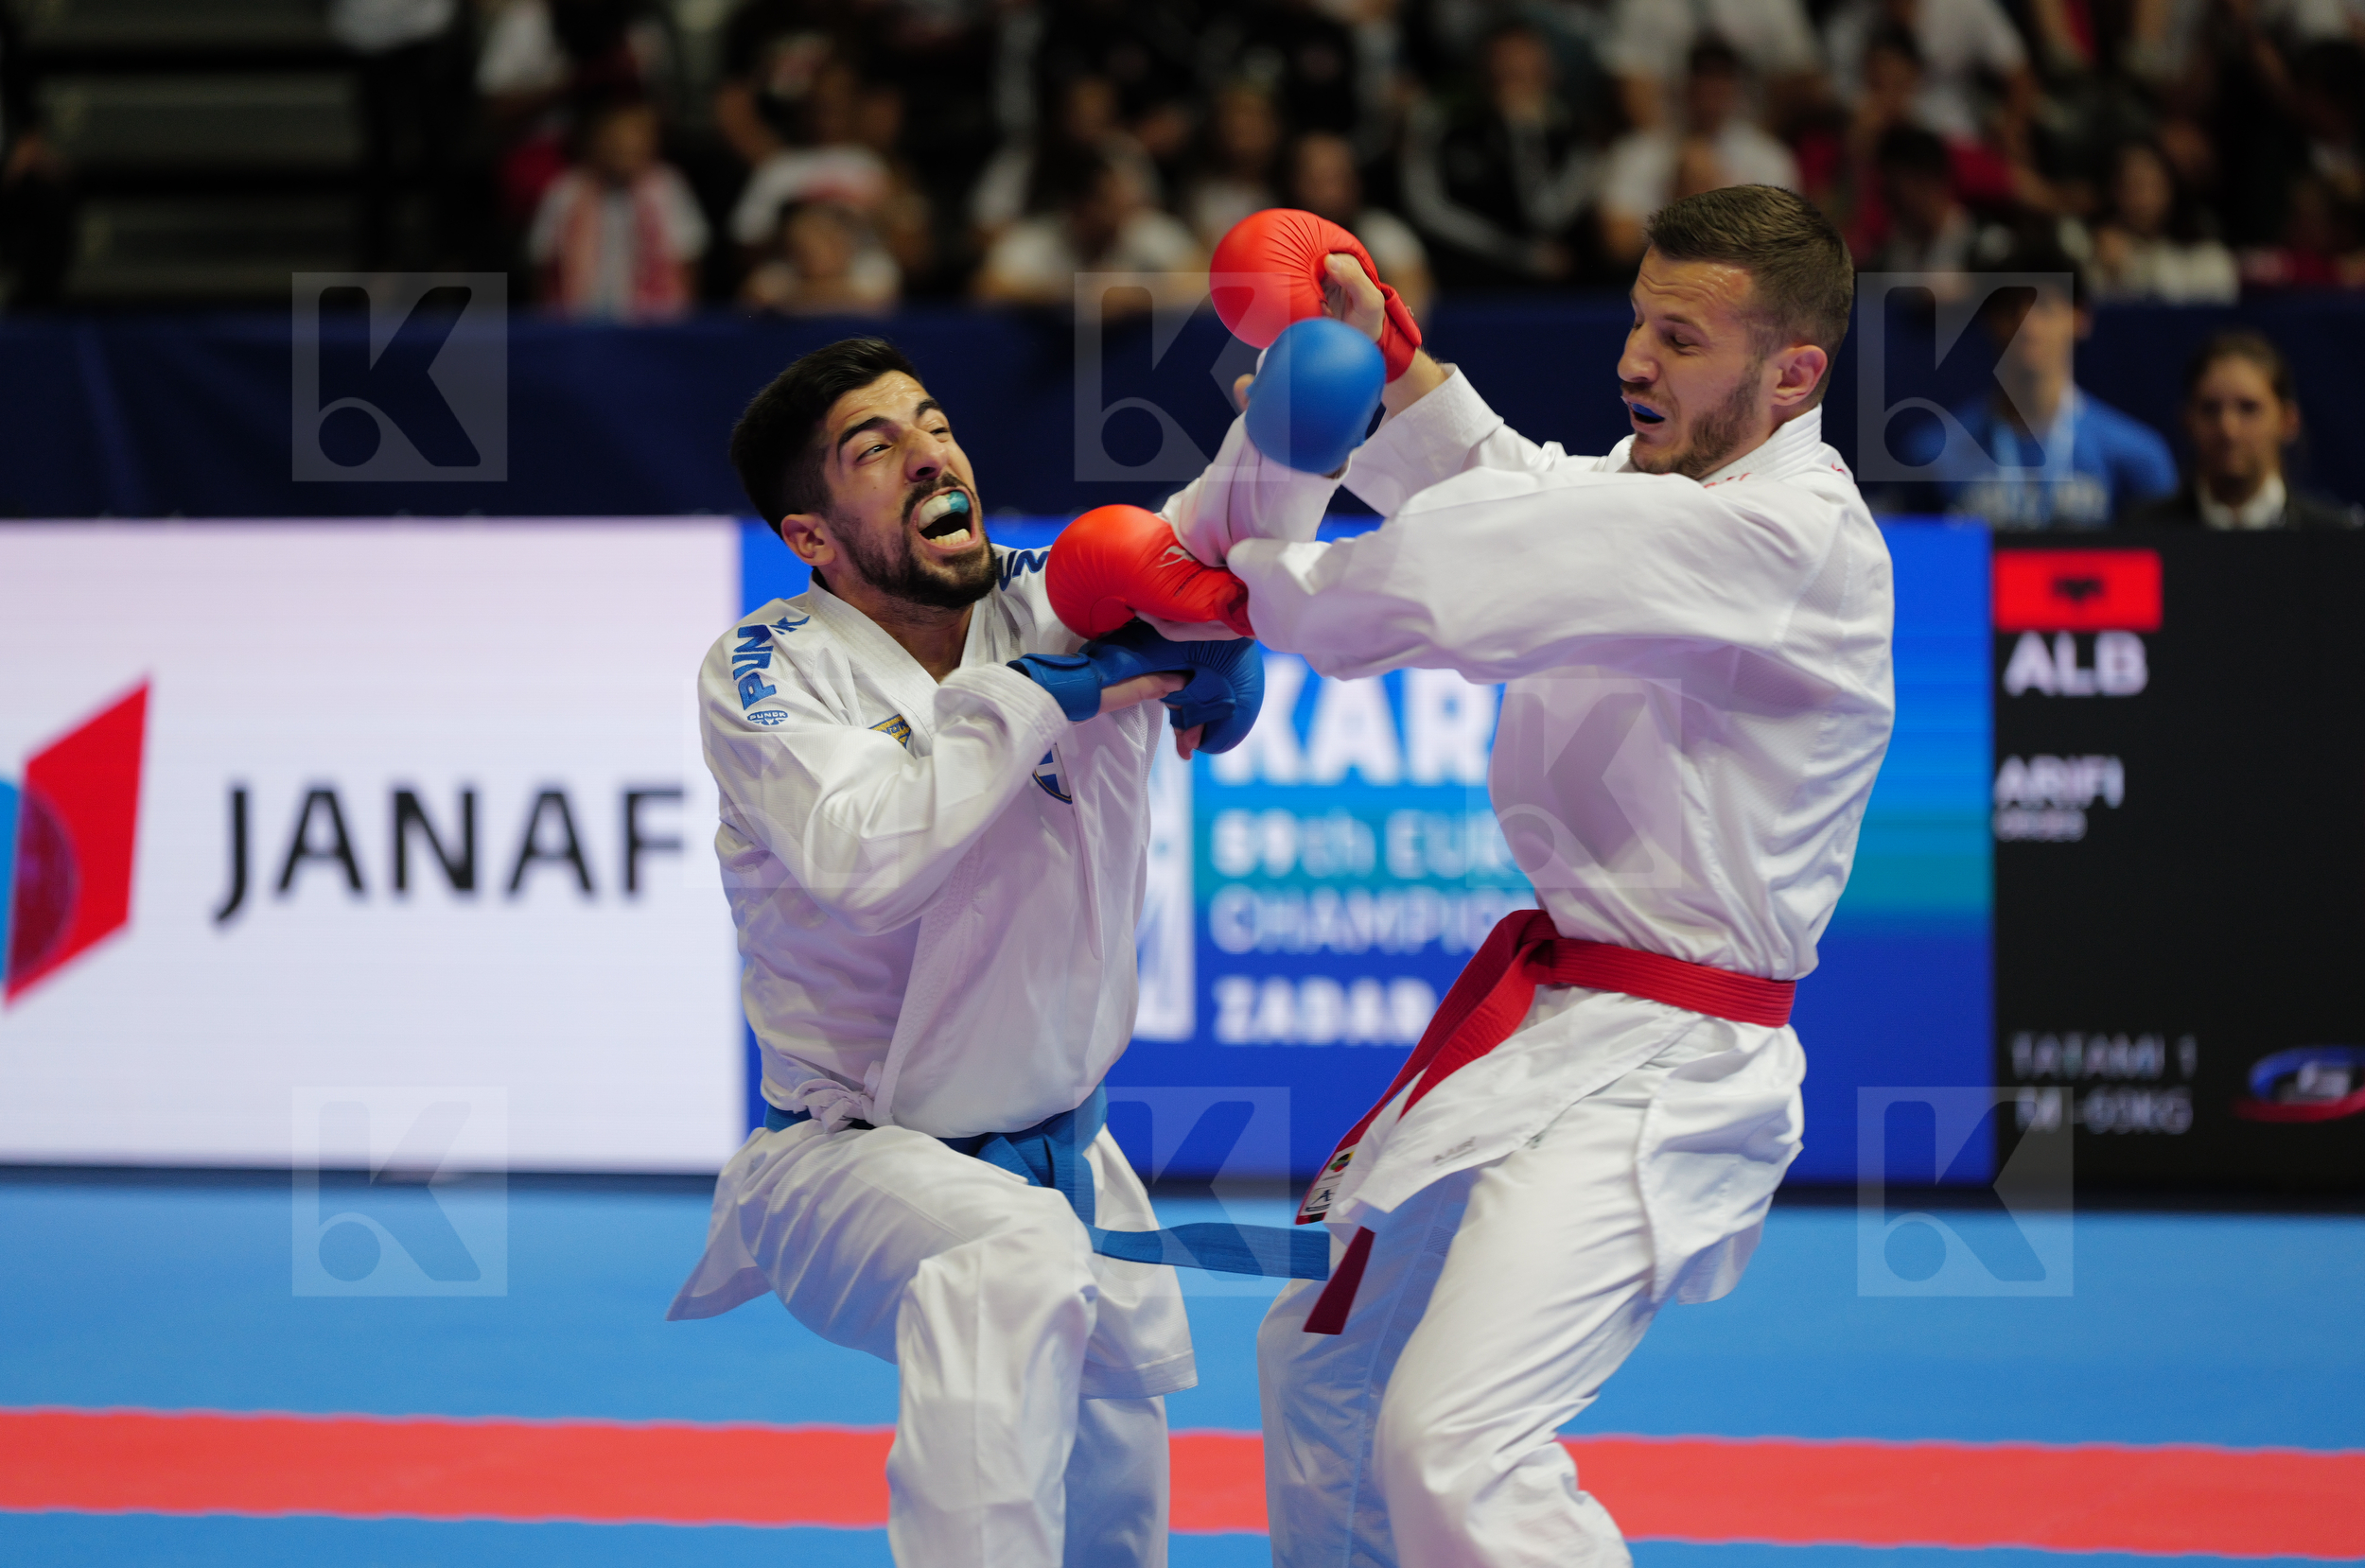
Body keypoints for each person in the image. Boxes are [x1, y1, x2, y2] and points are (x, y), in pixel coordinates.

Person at [1168, 185, 1894, 1565]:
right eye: (1637, 317)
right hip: (1556, 1033)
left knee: (1456, 1446)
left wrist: (1239, 583)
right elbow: (1518, 488)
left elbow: (1473, 572)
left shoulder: (1783, 536)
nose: (1635, 358)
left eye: (1681, 339)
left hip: (1670, 1067)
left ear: (1794, 373)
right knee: (1325, 1370)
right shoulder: (1659, 488)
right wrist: (1393, 354)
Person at [663, 336, 1335, 1566]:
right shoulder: (767, 671)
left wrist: (1305, 415)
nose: (931, 451)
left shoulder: (1066, 595)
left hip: (1070, 1147)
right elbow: (861, 858)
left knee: (1115, 1516)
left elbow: (1217, 533)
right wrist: (1042, 694)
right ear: (812, 537)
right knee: (1007, 1257)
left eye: (933, 420)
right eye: (877, 448)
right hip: (849, 1164)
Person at [1941, 244, 2178, 529]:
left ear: (2080, 317)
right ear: (1989, 320)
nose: (2028, 326)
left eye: (2044, 307)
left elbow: (2167, 562)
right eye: (2011, 309)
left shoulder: (2136, 457)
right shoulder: (1935, 455)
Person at [2124, 330, 2363, 529]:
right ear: (2186, 421)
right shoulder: (2144, 532)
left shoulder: (2335, 535)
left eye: (2249, 409)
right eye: (2210, 409)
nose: (2229, 430)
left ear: (2288, 422)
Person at [1599, 39, 1800, 267]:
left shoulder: (1768, 156)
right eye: (1703, 81)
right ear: (1684, 86)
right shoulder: (1638, 151)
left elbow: (1784, 245)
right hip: (1654, 282)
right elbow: (1618, 243)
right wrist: (1678, 206)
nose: (1711, 94)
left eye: (1721, 82)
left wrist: (1713, 208)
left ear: (1736, 89)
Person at [528, 96, 708, 321]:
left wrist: (683, 323)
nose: (624, 153)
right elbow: (544, 262)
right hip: (577, 323)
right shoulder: (566, 191)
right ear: (593, 143)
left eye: (634, 146)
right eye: (615, 144)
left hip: (655, 325)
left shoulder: (667, 187)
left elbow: (688, 258)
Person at [973, 150, 1204, 310]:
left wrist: (1137, 296)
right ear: (1078, 207)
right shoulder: (1042, 237)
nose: (1121, 206)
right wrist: (1071, 294)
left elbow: (1204, 283)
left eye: (1121, 196)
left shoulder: (1143, 227)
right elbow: (986, 289)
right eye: (1107, 200)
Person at [1288, 131, 1433, 323]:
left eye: (1336, 178)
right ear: (1293, 183)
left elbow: (1412, 289)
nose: (1329, 193)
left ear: (1355, 182)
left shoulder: (1382, 230)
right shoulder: (1274, 233)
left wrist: (1376, 337)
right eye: (1316, 179)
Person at [2088, 139, 2239, 304]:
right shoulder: (2089, 249)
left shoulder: (2209, 256)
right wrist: (2110, 273)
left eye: (2153, 185)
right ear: (2113, 192)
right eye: (2132, 186)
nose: (2143, 199)